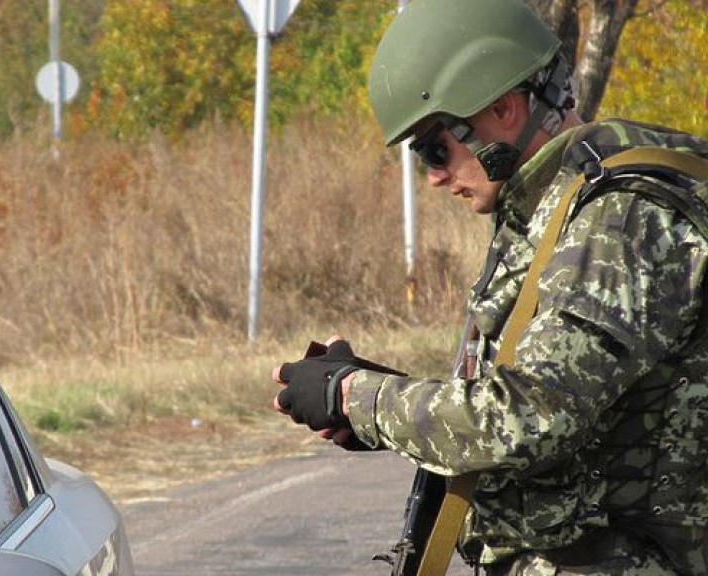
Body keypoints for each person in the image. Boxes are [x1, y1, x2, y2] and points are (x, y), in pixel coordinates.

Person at [272, 0, 708, 574]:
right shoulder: (548, 203)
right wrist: (377, 406)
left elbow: (530, 416)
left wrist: (359, 397)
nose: (432, 176)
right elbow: (541, 396)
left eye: (435, 148)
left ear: (502, 108)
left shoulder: (614, 220)